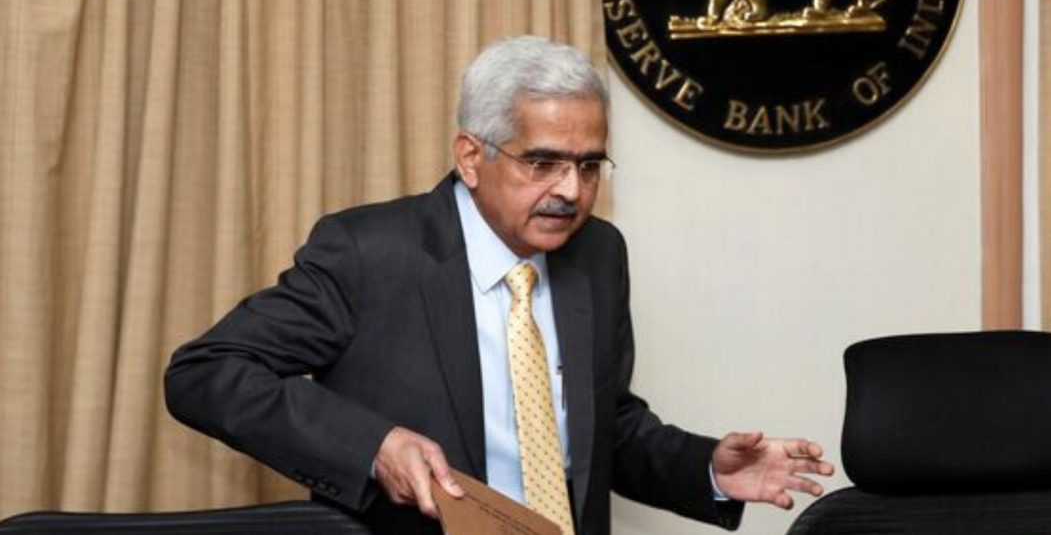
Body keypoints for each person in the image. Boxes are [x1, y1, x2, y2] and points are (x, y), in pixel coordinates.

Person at [164, 36, 834, 535]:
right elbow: (205, 371)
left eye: (589, 166)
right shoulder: (370, 253)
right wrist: (373, 447)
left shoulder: (599, 253)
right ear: (470, 156)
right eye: (542, 162)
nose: (571, 190)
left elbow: (604, 428)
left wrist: (708, 468)